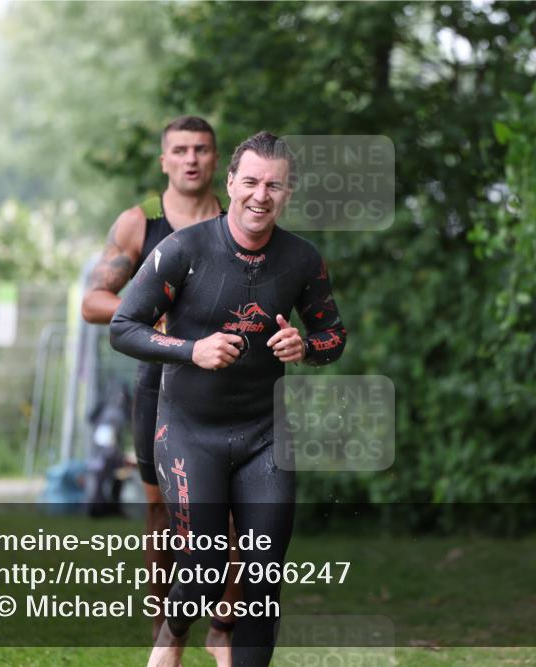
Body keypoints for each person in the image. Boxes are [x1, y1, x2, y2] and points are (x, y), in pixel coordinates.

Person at [110, 131, 347, 667]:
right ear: (231, 184)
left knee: (263, 579)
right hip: (190, 431)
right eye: (251, 182)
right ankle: (170, 637)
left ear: (287, 193)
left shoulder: (302, 261)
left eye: (274, 185)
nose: (261, 196)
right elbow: (123, 327)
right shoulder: (183, 250)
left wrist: (304, 347)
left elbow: (335, 338)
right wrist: (192, 350)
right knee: (208, 557)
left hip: (265, 436)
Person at [81, 116, 237, 663]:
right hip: (159, 382)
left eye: (202, 149)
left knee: (233, 518)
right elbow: (93, 301)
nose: (191, 159)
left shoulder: (238, 218)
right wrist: (153, 318)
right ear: (163, 161)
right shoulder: (139, 223)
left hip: (230, 388)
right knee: (162, 515)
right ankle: (165, 635)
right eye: (180, 150)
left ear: (216, 160)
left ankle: (224, 632)